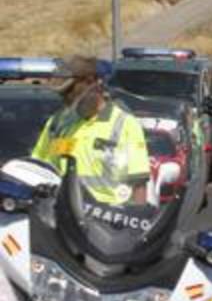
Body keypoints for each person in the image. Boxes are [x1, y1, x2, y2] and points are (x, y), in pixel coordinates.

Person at [31, 55, 149, 205]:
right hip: (64, 214)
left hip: (108, 221)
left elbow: (139, 182)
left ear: (92, 84)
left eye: (71, 93)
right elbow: (39, 168)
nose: (67, 100)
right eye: (63, 95)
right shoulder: (57, 123)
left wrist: (136, 221)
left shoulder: (125, 125)